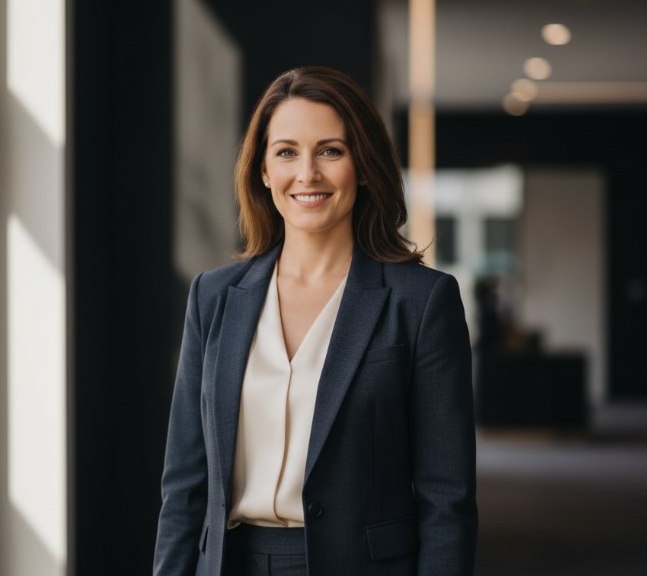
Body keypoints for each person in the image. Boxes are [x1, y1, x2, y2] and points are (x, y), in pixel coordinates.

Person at [153, 66, 476, 576]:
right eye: (286, 152)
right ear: (262, 169)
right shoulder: (213, 298)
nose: (308, 173)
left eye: (331, 150)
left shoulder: (422, 302)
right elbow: (184, 488)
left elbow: (446, 499)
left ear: (364, 166)